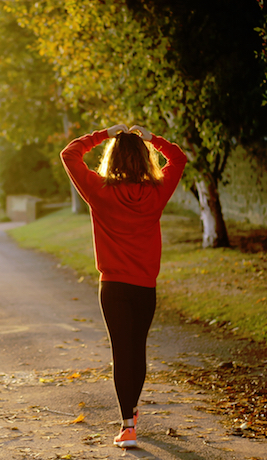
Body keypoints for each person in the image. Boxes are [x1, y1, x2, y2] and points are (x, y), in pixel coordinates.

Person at [59, 123, 188, 448]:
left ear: (112, 159)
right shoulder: (157, 192)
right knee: (137, 349)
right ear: (145, 160)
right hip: (144, 286)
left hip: (113, 287)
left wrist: (103, 134)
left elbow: (69, 154)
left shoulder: (99, 191)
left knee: (122, 351)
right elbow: (179, 158)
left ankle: (127, 425)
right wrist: (152, 139)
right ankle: (130, 413)